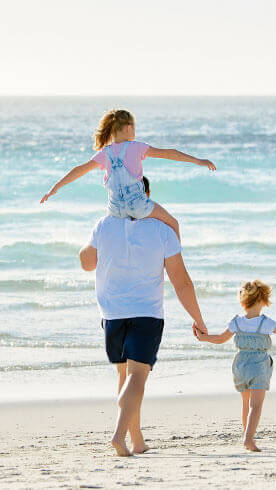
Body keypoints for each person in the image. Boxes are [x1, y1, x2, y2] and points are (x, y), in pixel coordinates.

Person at [78, 177, 209, 457]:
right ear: (148, 196)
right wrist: (199, 319)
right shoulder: (163, 230)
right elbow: (182, 282)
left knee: (125, 376)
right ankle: (118, 435)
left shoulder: (103, 225)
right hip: (146, 314)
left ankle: (136, 441)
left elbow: (86, 263)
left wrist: (94, 241)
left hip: (112, 316)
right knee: (137, 377)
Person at [41, 108, 216, 240]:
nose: (134, 132)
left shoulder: (105, 153)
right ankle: (174, 260)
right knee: (173, 223)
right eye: (133, 128)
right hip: (137, 206)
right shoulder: (136, 147)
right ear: (127, 128)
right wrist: (199, 161)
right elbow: (170, 153)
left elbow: (78, 170)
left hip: (114, 210)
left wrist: (54, 188)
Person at [196, 280, 276, 452]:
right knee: (256, 405)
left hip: (240, 365)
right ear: (263, 300)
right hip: (258, 365)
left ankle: (247, 434)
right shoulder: (264, 322)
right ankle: (248, 439)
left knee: (246, 404)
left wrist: (204, 338)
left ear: (244, 301)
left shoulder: (237, 322)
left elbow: (220, 339)